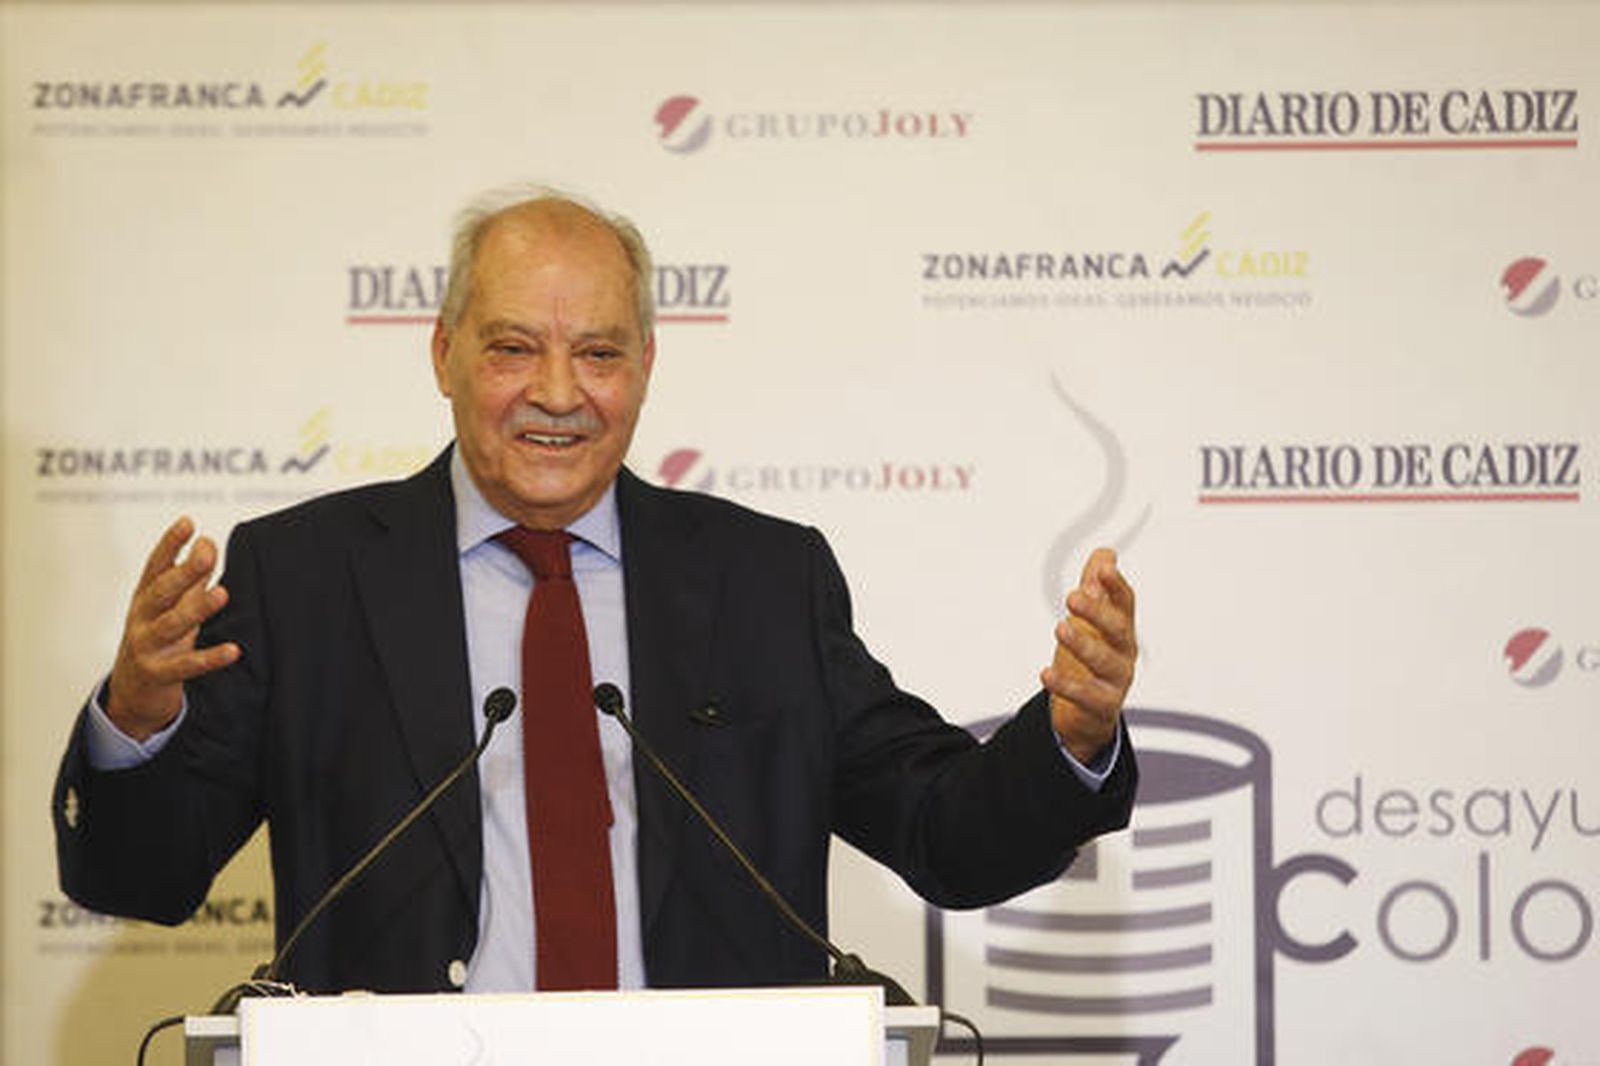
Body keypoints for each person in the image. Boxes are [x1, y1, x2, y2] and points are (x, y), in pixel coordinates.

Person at [53, 188, 1139, 996]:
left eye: (600, 353)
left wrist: (1067, 741)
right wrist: (137, 726)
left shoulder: (765, 581)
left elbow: (941, 832)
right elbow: (139, 876)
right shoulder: (305, 577)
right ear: (442, 352)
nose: (559, 394)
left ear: (649, 364)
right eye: (514, 348)